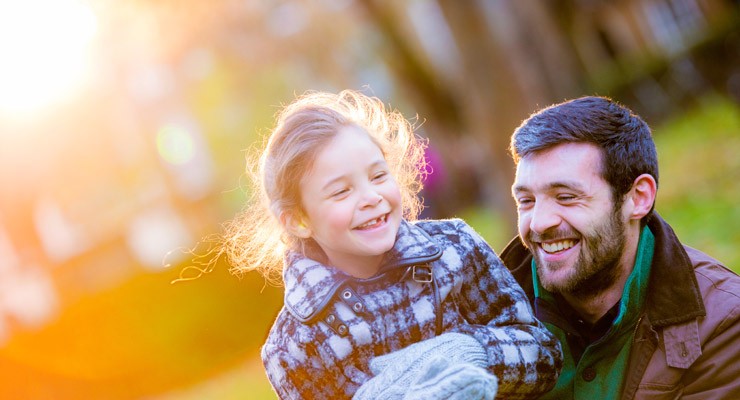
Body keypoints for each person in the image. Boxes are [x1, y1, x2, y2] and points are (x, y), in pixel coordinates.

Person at [222, 90, 562, 399]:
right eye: (341, 191)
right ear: (298, 219)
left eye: (378, 176)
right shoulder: (294, 346)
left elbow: (545, 356)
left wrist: (465, 352)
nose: (371, 197)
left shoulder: (455, 249)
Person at [503, 96, 740, 399]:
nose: (538, 223)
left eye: (565, 196)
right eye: (527, 201)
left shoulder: (724, 324)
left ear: (638, 198)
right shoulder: (479, 320)